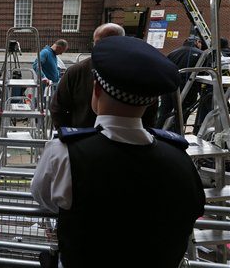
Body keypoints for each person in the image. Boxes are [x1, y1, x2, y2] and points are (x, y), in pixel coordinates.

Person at [31, 36, 205, 268]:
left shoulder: (64, 152)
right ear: (152, 102)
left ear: (96, 89)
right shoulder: (181, 158)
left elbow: (45, 198)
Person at [49, 23, 125, 129]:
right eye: (99, 43)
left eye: (109, 42)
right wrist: (69, 136)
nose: (104, 47)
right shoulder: (76, 71)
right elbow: (57, 108)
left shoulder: (133, 72)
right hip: (81, 136)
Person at [156, 36, 204, 132]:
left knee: (164, 113)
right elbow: (203, 74)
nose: (201, 45)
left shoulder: (173, 52)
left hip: (168, 87)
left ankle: (157, 132)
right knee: (182, 115)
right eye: (200, 43)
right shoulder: (201, 54)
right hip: (188, 89)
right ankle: (175, 134)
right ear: (197, 42)